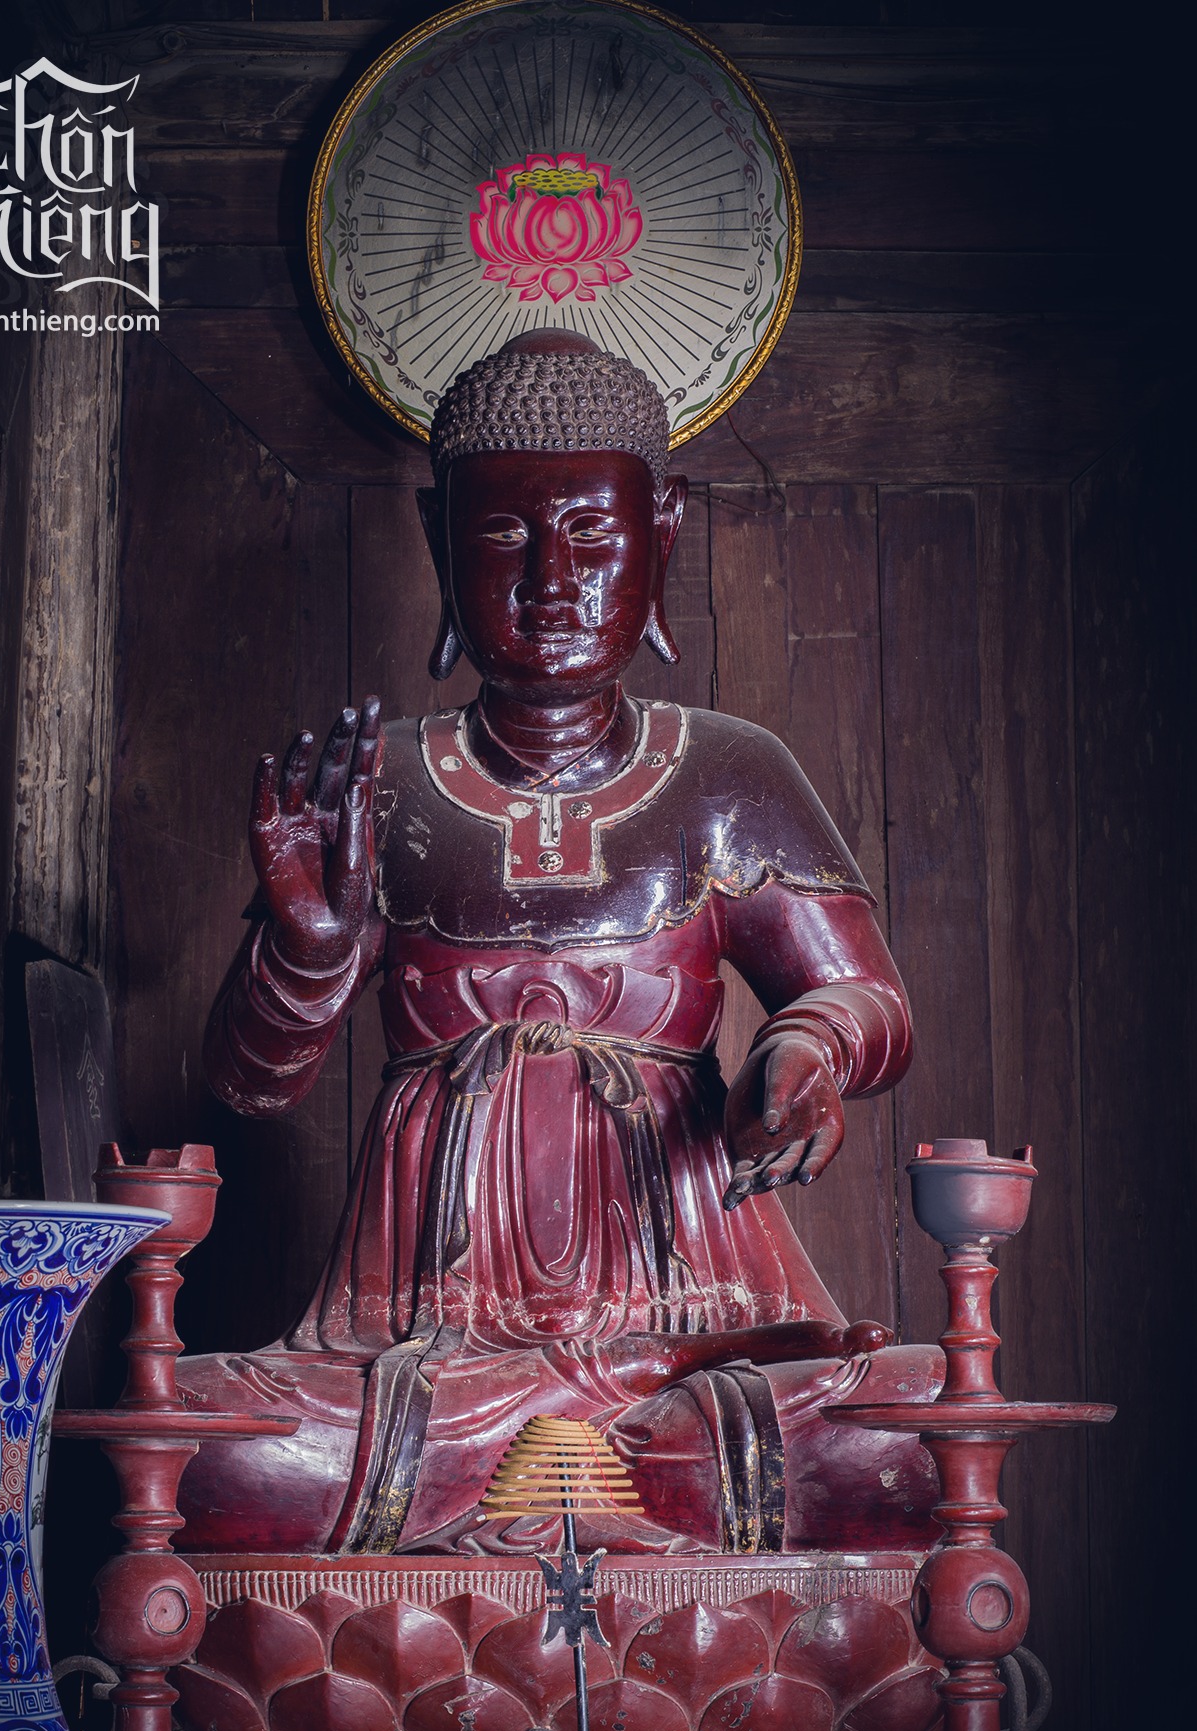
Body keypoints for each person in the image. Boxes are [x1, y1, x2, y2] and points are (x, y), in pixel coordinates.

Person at [177, 332, 940, 1557]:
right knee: (211, 1446)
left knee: (903, 1430)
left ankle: (592, 1510)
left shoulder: (727, 772)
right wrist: (308, 954)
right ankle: (617, 1533)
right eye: (502, 534)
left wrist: (805, 1049)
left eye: (591, 533)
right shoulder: (388, 786)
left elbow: (870, 1000)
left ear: (663, 531)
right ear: (437, 542)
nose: (550, 578)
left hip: (693, 1336)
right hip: (427, 1349)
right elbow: (244, 1082)